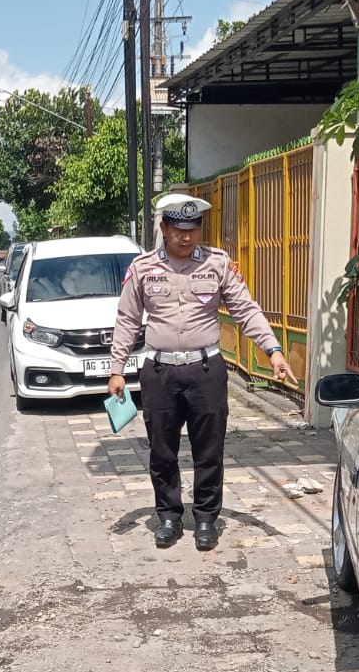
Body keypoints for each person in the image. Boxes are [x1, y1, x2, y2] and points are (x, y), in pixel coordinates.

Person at [108, 194, 293, 551]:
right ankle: (169, 517)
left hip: (206, 370)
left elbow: (246, 310)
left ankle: (206, 518)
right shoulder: (143, 268)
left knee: (208, 449)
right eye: (178, 230)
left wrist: (273, 350)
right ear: (164, 228)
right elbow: (127, 320)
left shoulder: (218, 264)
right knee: (162, 450)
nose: (187, 237)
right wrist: (117, 369)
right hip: (159, 371)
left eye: (193, 230)